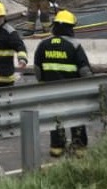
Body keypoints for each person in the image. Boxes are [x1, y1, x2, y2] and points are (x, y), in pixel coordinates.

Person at [33, 9, 93, 157]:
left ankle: (57, 147)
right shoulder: (74, 45)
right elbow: (85, 70)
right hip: (73, 91)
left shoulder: (43, 44)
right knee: (76, 117)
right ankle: (79, 148)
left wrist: (42, 82)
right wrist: (90, 85)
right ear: (70, 28)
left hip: (51, 90)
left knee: (56, 117)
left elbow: (37, 68)